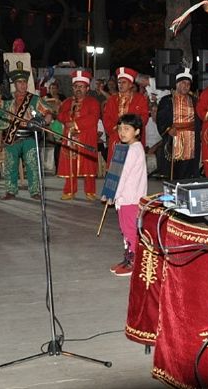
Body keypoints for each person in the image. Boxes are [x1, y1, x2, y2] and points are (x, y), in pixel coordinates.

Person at [0, 62, 53, 201]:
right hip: (11, 136)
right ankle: (10, 191)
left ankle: (35, 190)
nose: (23, 85)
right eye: (19, 82)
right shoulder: (6, 98)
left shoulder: (34, 99)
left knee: (32, 164)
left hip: (29, 136)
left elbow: (48, 111)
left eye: (25, 82)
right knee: (10, 165)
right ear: (15, 84)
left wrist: (44, 120)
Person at [105, 114, 148, 277]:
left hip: (130, 198)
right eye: (120, 128)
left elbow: (122, 176)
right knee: (125, 229)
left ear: (137, 131)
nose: (122, 132)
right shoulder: (128, 148)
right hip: (124, 198)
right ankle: (128, 256)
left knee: (130, 230)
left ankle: (134, 261)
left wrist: (111, 194)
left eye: (127, 129)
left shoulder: (134, 150)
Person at [57, 70, 101, 200]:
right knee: (70, 164)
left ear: (87, 88)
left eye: (81, 86)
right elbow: (60, 115)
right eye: (76, 86)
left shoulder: (93, 102)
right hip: (70, 138)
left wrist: (75, 124)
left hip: (86, 138)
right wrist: (68, 116)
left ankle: (90, 192)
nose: (78, 89)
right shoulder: (67, 102)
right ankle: (69, 190)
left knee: (88, 164)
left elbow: (93, 118)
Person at [156, 68, 201, 180]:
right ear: (176, 84)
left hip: (191, 139)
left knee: (189, 170)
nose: (185, 86)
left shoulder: (194, 101)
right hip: (174, 138)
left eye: (188, 84)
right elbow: (160, 119)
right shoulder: (167, 100)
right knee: (174, 171)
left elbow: (199, 119)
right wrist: (168, 129)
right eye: (183, 83)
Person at [102, 67, 149, 163]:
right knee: (116, 169)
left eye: (124, 82)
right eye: (119, 82)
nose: (120, 85)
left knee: (133, 167)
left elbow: (144, 117)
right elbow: (106, 118)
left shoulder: (140, 98)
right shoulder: (112, 99)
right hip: (116, 136)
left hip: (134, 138)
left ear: (131, 84)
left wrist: (131, 129)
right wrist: (116, 128)